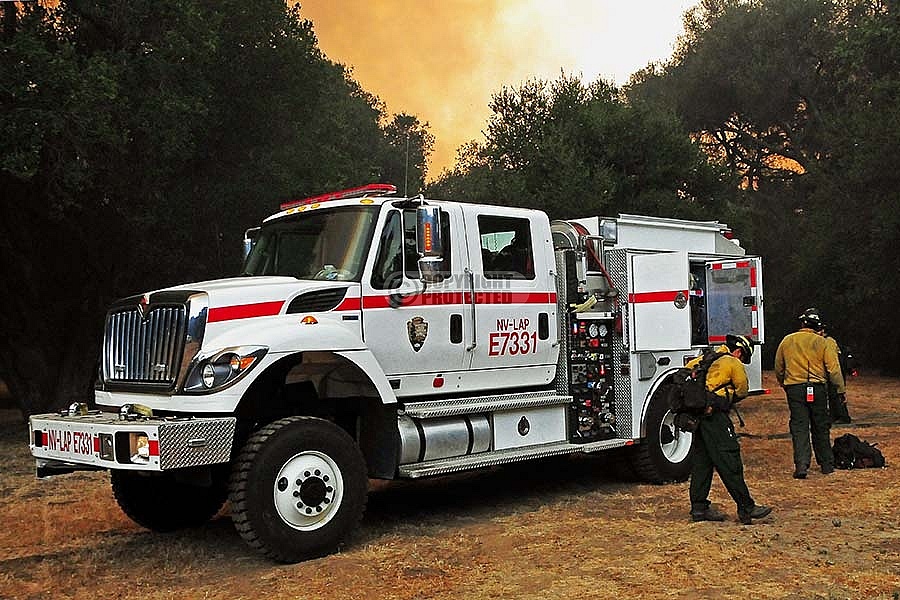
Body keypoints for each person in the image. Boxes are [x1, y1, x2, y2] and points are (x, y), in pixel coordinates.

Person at [688, 334, 773, 525]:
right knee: (729, 459)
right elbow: (742, 389)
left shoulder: (704, 359)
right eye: (743, 357)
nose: (742, 361)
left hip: (698, 417)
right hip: (715, 416)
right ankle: (746, 507)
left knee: (703, 462)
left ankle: (699, 508)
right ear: (739, 351)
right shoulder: (732, 363)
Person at [774, 307, 845, 478]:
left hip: (795, 389)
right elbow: (833, 370)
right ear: (818, 325)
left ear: (802, 323)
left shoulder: (787, 341)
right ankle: (826, 464)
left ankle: (801, 465)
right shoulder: (823, 343)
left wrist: (785, 383)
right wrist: (840, 390)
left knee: (799, 427)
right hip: (817, 387)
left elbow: (778, 367)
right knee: (820, 425)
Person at [820, 323, 852, 424]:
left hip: (835, 370)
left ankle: (843, 416)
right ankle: (834, 415)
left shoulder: (828, 341)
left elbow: (832, 361)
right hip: (832, 370)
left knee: (836, 393)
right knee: (832, 393)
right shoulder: (825, 341)